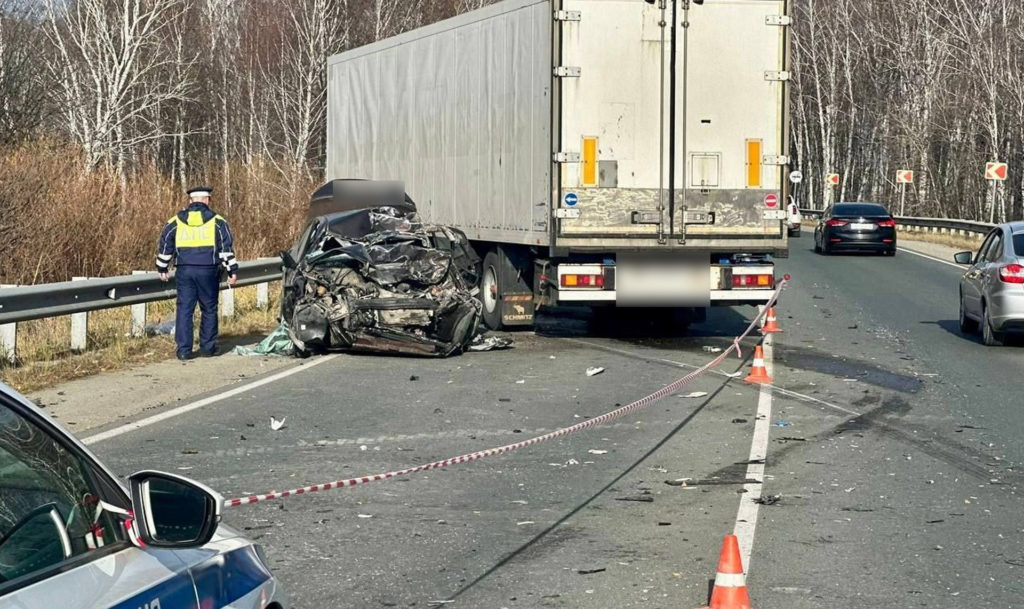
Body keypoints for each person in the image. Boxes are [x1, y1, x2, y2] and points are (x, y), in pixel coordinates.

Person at [156, 186, 239, 360]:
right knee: (209, 308)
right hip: (208, 270)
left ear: (190, 201)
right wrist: (232, 270)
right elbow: (226, 249)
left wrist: (162, 268)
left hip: (184, 270)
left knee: (185, 309)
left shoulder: (175, 221)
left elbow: (165, 245)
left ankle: (184, 350)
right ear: (207, 200)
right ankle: (208, 348)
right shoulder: (217, 221)